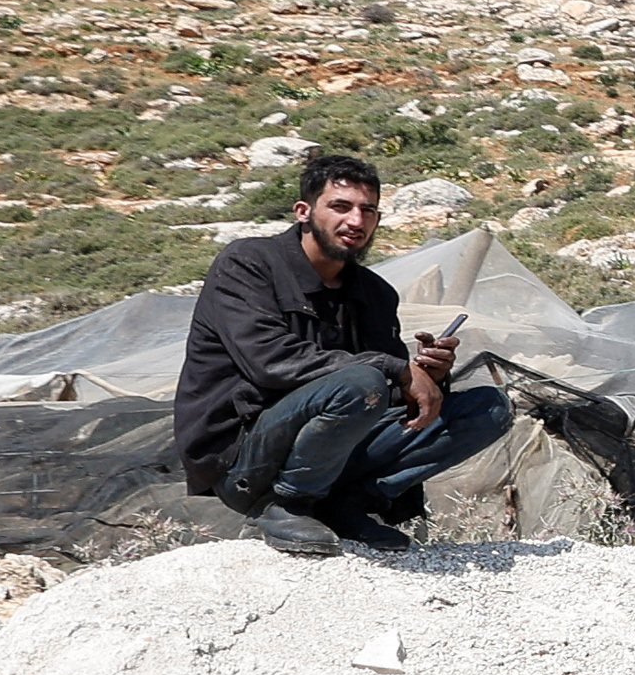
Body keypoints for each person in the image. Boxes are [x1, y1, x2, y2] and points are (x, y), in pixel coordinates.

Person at [173, 153, 511, 556]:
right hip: (246, 455)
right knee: (361, 383)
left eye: (368, 210)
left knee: (489, 408)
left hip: (336, 452)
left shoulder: (373, 292)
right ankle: (288, 504)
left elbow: (388, 391)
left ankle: (348, 505)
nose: (356, 221)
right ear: (303, 211)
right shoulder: (249, 264)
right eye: (340, 206)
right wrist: (394, 369)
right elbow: (269, 362)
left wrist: (429, 376)